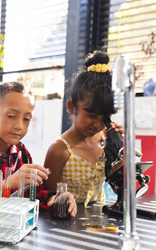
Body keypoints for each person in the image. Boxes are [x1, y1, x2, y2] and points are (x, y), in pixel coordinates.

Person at [0, 81, 77, 216]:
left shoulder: (21, 152)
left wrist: (56, 199)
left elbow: (35, 193)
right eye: (11, 116)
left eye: (27, 119)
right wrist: (9, 183)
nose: (20, 126)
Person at [43, 51, 123, 206]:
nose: (97, 124)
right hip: (66, 224)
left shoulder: (105, 141)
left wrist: (120, 148)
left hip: (96, 224)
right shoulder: (59, 150)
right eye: (92, 116)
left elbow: (119, 186)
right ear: (72, 107)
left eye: (104, 117)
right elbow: (47, 198)